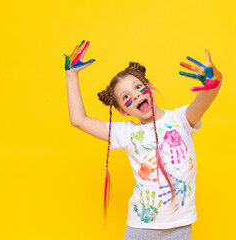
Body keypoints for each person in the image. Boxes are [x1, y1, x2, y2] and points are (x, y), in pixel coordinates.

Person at [64, 40, 223, 240]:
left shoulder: (182, 119)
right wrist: (71, 74)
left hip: (180, 226)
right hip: (141, 229)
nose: (136, 95)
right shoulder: (126, 133)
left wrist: (214, 83)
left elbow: (204, 100)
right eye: (126, 96)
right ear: (122, 111)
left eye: (139, 87)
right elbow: (79, 120)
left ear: (151, 87)